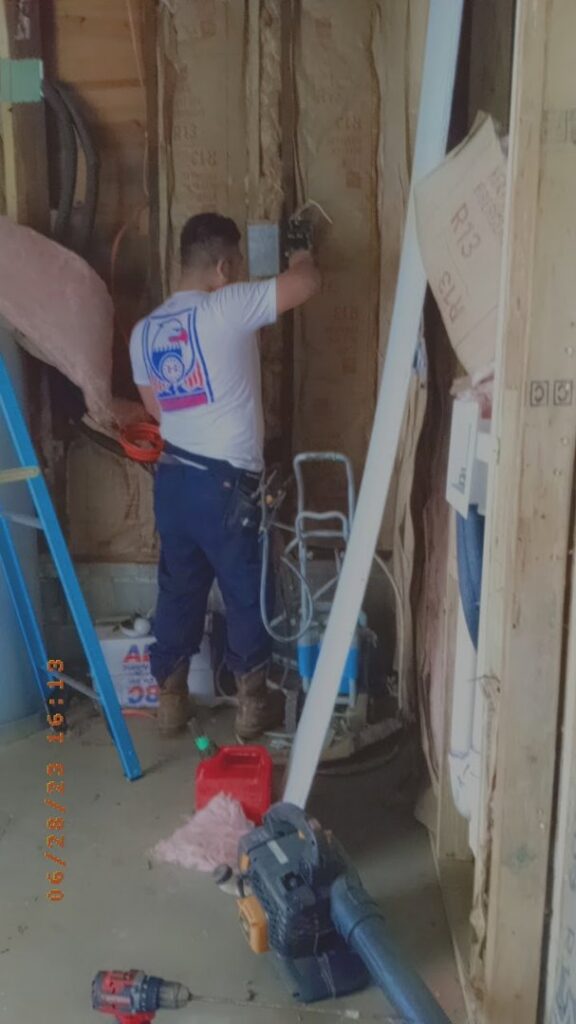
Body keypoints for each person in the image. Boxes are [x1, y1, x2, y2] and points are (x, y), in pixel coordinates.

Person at [129, 212, 321, 739]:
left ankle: (171, 701)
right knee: (245, 590)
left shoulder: (144, 333)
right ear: (223, 265)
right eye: (233, 267)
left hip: (173, 481)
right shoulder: (227, 307)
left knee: (179, 589)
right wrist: (301, 250)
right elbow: (306, 285)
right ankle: (252, 705)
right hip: (225, 485)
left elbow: (159, 410)